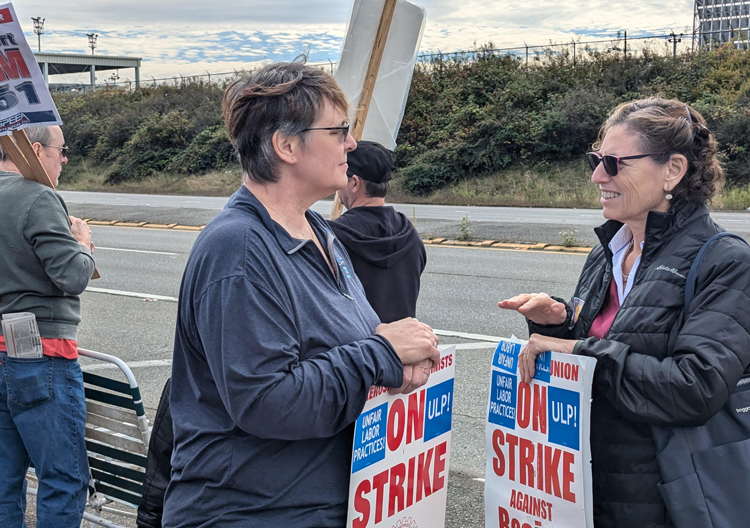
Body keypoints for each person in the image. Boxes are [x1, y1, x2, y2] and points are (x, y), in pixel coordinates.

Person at [162, 62, 441, 528]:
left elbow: (351, 347)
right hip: (251, 511)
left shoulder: (320, 232)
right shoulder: (241, 248)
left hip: (318, 503)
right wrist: (380, 353)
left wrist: (400, 354)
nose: (351, 144)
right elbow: (267, 401)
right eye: (338, 130)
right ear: (286, 145)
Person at [498, 98, 750, 527]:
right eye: (596, 160)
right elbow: (607, 339)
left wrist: (576, 347)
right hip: (589, 489)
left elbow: (695, 387)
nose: (598, 176)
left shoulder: (725, 261)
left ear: (673, 169)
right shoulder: (609, 251)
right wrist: (559, 321)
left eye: (614, 163)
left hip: (664, 501)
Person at [0, 125, 96, 527]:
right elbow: (72, 277)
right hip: (41, 352)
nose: (65, 159)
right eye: (62, 150)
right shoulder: (38, 196)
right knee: (64, 478)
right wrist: (83, 243)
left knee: (4, 478)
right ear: (36, 149)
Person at [329, 140, 426, 323]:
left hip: (355, 350)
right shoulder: (411, 236)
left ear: (355, 183)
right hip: (403, 347)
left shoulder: (331, 237)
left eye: (342, 175)